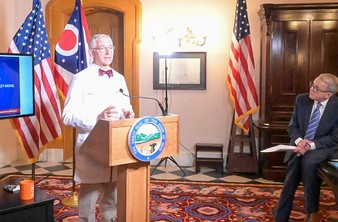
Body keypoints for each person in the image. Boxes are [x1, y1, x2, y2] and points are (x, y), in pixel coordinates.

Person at [62, 34, 135, 222]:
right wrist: (96, 119)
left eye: (111, 47)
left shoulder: (119, 78)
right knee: (89, 199)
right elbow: (67, 115)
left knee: (112, 199)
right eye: (103, 47)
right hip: (91, 147)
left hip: (116, 147)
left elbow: (125, 106)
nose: (108, 51)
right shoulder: (80, 79)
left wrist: (128, 113)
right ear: (92, 52)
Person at [274, 73, 338, 222]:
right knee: (291, 177)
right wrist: (299, 141)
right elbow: (292, 126)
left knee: (309, 161)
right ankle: (281, 217)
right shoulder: (302, 100)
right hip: (299, 146)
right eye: (312, 84)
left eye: (316, 88)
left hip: (324, 148)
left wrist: (310, 145)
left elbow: (335, 137)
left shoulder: (336, 107)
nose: (311, 89)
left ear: (328, 94)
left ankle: (311, 213)